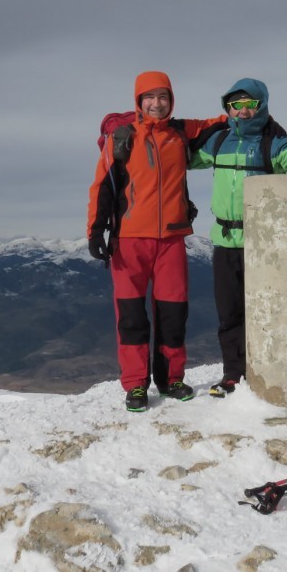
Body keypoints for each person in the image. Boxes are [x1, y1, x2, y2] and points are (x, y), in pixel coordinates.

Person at [190, 77, 287, 397]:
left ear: (261, 105)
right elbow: (179, 160)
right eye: (236, 105)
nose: (243, 111)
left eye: (249, 104)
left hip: (262, 245)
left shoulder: (274, 143)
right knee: (229, 312)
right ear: (227, 109)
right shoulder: (219, 142)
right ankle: (233, 375)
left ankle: (265, 374)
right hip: (223, 241)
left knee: (264, 313)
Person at [87, 71, 226, 412]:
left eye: (163, 96)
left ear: (171, 100)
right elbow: (102, 187)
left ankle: (170, 379)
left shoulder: (180, 132)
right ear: (138, 101)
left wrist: (246, 110)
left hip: (171, 240)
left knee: (173, 314)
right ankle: (135, 385)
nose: (156, 103)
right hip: (129, 241)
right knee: (132, 317)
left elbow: (219, 123)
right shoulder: (122, 137)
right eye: (149, 97)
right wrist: (95, 230)